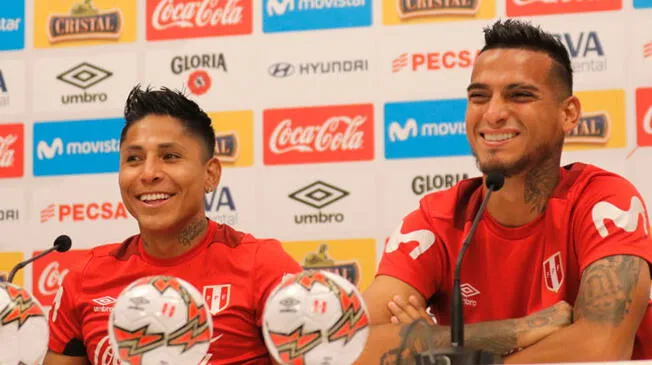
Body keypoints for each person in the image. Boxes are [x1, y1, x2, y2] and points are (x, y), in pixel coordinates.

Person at [356, 19, 652, 364]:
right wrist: (513, 331)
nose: (493, 113)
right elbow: (351, 345)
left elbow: (599, 349)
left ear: (568, 114)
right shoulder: (436, 221)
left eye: (520, 95)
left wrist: (437, 348)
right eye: (479, 97)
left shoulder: (603, 202)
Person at [43, 85, 302, 365]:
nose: (149, 173)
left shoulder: (263, 267)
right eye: (134, 159)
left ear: (210, 174)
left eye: (170, 156)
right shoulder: (83, 278)